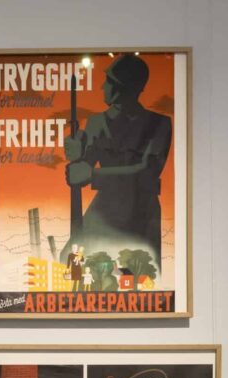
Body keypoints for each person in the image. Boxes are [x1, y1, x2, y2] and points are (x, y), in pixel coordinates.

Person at [64, 54, 172, 264]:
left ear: (123, 88)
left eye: (109, 82)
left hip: (141, 212)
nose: (103, 87)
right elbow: (81, 170)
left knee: (139, 270)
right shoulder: (96, 122)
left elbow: (147, 172)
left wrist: (91, 174)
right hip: (106, 208)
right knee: (69, 260)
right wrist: (78, 153)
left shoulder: (159, 124)